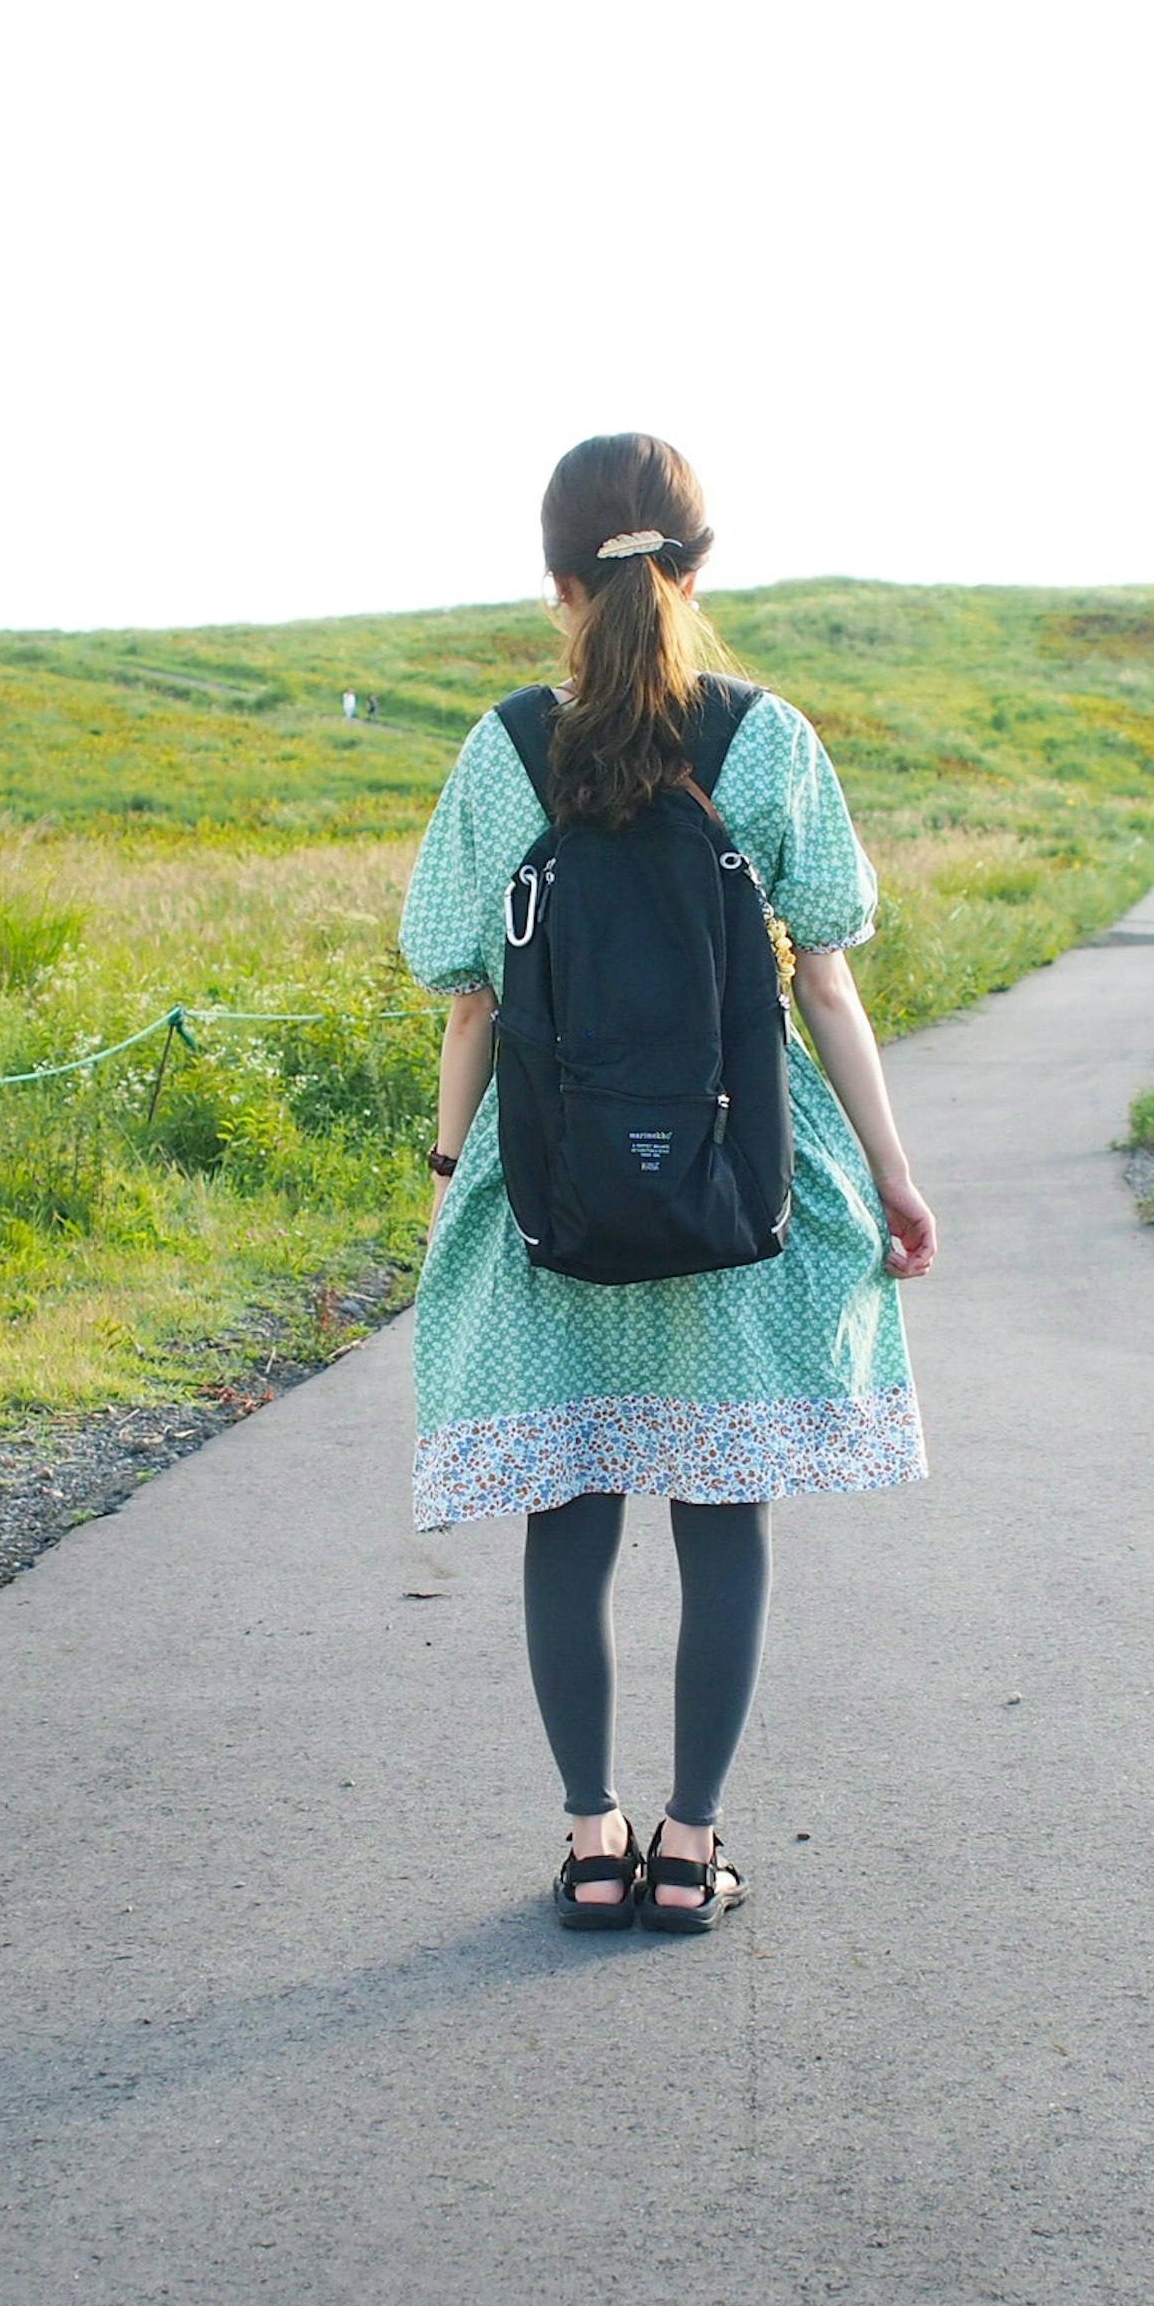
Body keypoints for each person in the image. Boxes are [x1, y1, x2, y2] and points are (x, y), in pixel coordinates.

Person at [399, 432, 938, 1935]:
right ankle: (693, 1844)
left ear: (555, 580)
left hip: (553, 1195)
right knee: (723, 1514)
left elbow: (468, 998)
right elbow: (823, 982)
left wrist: (452, 1181)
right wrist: (892, 1176)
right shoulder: (768, 741)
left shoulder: (506, 746)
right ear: (700, 567)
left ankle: (590, 1837)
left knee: (566, 1515)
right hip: (733, 1190)